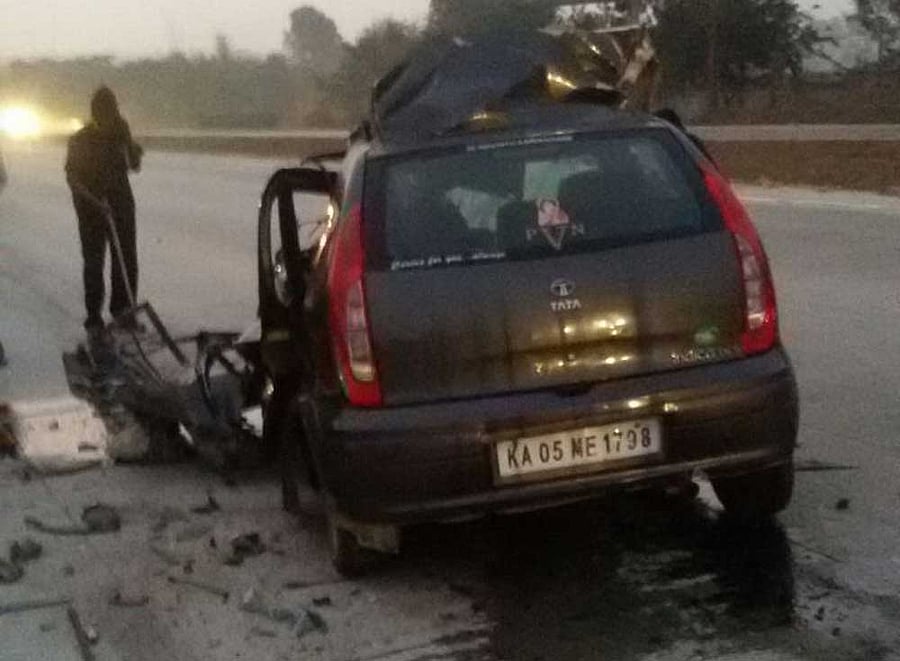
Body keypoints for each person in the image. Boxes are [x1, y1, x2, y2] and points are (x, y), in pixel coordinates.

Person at [65, 86, 144, 334]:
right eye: (105, 115)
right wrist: (96, 202)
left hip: (120, 203)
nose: (110, 120)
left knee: (126, 259)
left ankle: (123, 311)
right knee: (94, 262)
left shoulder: (120, 131)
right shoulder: (80, 139)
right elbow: (72, 177)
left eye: (113, 114)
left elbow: (133, 165)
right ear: (96, 114)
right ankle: (93, 318)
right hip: (90, 209)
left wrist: (134, 152)